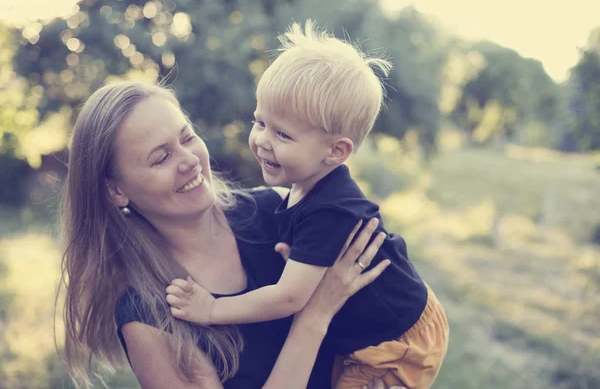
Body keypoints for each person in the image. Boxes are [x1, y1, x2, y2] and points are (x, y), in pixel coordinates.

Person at [57, 80, 398, 389]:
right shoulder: (148, 316)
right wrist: (316, 315)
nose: (189, 159)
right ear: (116, 191)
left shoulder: (277, 212)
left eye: (187, 137)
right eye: (161, 157)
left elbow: (391, 306)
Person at [167, 21, 449, 389]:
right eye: (260, 122)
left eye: (283, 134)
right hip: (370, 331)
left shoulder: (330, 209)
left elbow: (287, 298)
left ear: (336, 151)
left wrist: (211, 309)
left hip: (399, 338)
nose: (262, 141)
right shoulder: (304, 190)